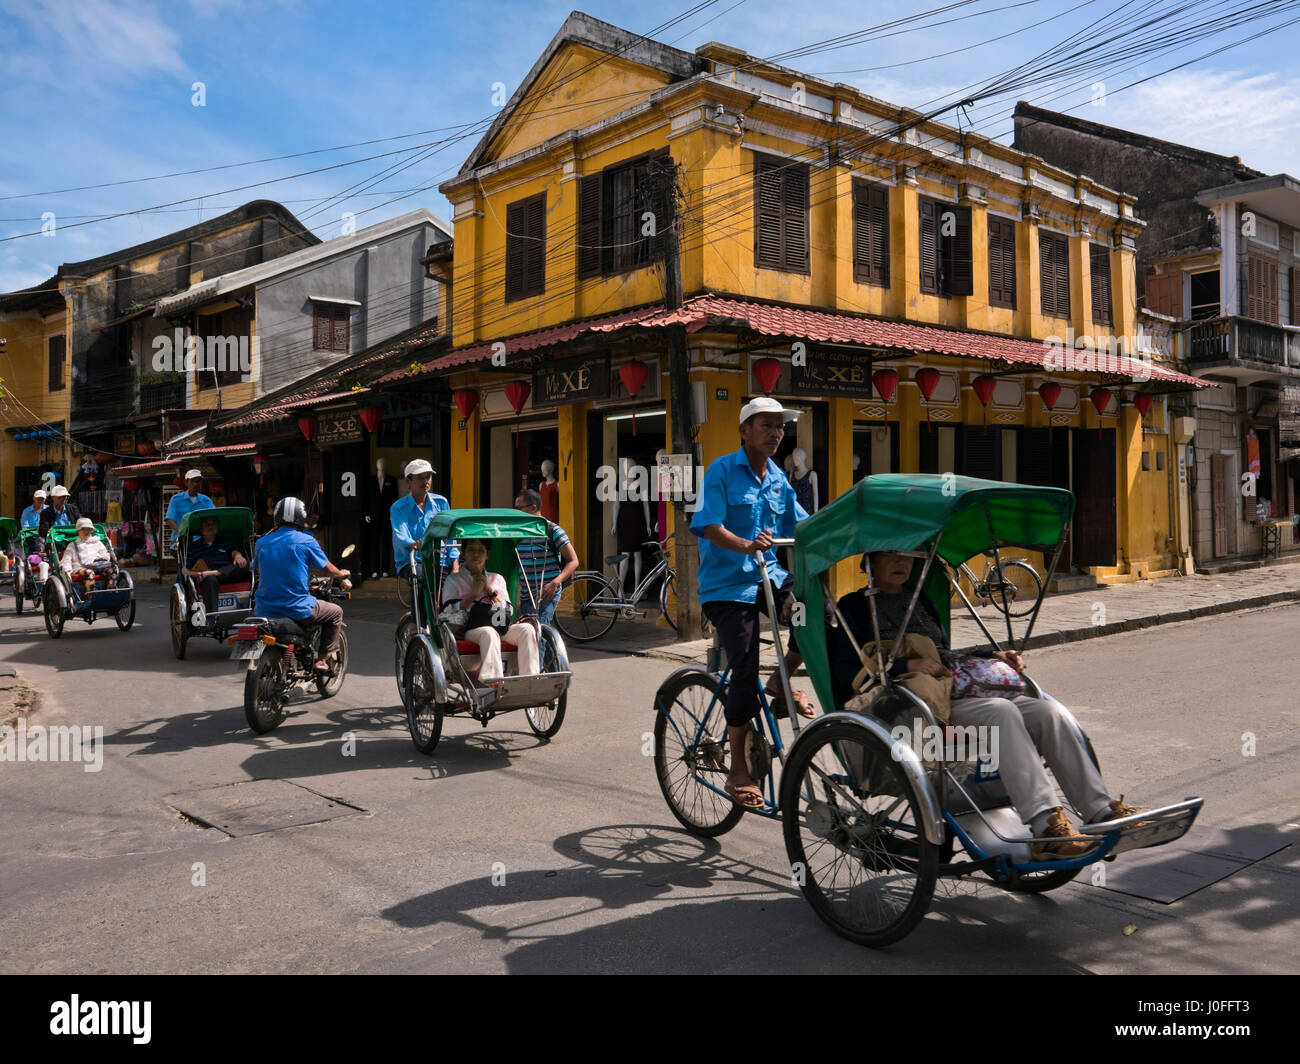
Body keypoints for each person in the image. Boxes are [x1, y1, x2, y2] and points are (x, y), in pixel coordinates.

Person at [832, 550, 1146, 859]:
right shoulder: (854, 606)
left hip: (953, 690)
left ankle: (1100, 811)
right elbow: (846, 670)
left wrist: (991, 657)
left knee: (1046, 711)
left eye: (907, 556)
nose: (901, 562)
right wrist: (905, 666)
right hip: (909, 705)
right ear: (870, 561)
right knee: (1001, 712)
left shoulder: (919, 597)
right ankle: (1045, 825)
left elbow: (945, 653)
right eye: (890, 555)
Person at [690, 397, 829, 810]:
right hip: (726, 588)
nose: (776, 432)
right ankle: (737, 769)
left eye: (780, 426)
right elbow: (707, 525)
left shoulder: (778, 481)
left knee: (822, 615)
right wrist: (746, 545)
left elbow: (802, 524)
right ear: (744, 431)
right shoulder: (721, 470)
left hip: (769, 576)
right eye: (766, 425)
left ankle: (781, 678)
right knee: (745, 667)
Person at [250, 497, 351, 672]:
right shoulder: (306, 540)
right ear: (301, 518)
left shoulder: (261, 542)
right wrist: (341, 574)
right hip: (296, 608)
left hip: (263, 609)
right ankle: (321, 661)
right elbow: (327, 569)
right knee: (336, 612)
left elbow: (258, 570)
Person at [439, 538, 540, 682]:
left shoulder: (497, 578)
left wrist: (489, 590)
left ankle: (530, 681)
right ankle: (493, 682)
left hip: (499, 625)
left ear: (487, 554)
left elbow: (508, 612)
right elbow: (449, 611)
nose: (476, 555)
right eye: (471, 550)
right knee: (489, 632)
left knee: (527, 630)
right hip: (470, 629)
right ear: (463, 553)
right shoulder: (453, 580)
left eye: (481, 550)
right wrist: (473, 593)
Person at [514, 488, 579, 626]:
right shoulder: (519, 534)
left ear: (533, 508)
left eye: (519, 508)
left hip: (547, 593)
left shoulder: (552, 530)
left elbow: (573, 561)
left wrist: (555, 583)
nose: (516, 512)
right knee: (528, 634)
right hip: (527, 596)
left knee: (539, 631)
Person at [389, 459, 458, 579]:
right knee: (423, 580)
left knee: (451, 587)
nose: (426, 481)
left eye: (428, 476)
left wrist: (455, 565)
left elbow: (450, 535)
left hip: (441, 561)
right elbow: (402, 535)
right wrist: (416, 545)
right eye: (420, 477)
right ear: (408, 481)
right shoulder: (398, 508)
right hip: (413, 561)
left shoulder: (441, 502)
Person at [183, 514, 251, 617]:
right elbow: (185, 570)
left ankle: (211, 573)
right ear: (201, 529)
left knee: (244, 564)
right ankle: (212, 618)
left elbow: (234, 552)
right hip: (208, 579)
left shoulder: (226, 541)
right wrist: (197, 574)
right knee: (210, 580)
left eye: (213, 523)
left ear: (217, 527)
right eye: (207, 524)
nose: (210, 526)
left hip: (227, 575)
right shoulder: (194, 547)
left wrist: (238, 556)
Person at [59, 518, 114, 586]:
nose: (86, 531)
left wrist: (101, 559)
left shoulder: (97, 542)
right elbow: (66, 560)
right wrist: (67, 571)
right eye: (83, 529)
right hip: (80, 568)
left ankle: (111, 592)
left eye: (88, 529)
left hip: (98, 566)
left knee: (113, 571)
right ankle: (91, 596)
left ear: (91, 530)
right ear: (78, 530)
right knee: (89, 573)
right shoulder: (72, 545)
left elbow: (105, 555)